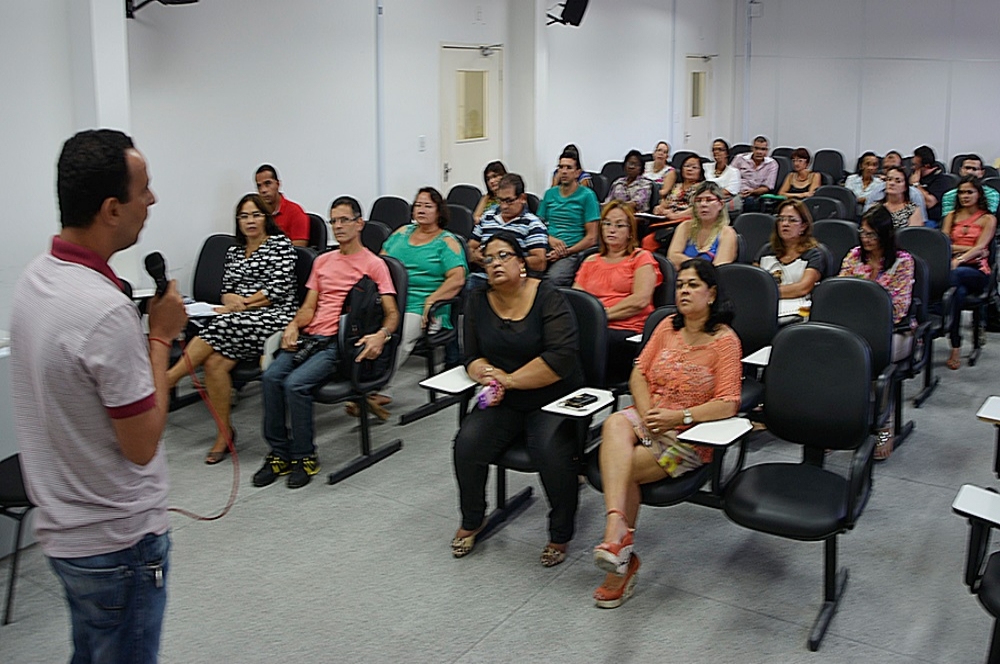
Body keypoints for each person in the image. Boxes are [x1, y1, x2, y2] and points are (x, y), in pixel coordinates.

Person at [11, 129, 187, 662]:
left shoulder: (36, 278)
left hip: (66, 530)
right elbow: (142, 443)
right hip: (117, 544)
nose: (152, 200)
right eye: (144, 189)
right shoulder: (104, 312)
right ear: (112, 209)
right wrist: (160, 338)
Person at [591, 258, 741, 608]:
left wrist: (678, 417)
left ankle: (621, 556)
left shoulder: (725, 341)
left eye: (693, 285)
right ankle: (617, 530)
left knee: (623, 466)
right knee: (614, 423)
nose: (684, 291)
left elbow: (728, 403)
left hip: (689, 435)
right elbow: (638, 374)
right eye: (681, 285)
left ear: (711, 293)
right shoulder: (666, 327)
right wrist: (647, 415)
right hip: (651, 415)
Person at [452, 231, 584, 566]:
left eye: (503, 256)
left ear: (522, 263)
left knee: (549, 451)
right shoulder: (477, 299)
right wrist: (487, 375)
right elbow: (471, 356)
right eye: (488, 258)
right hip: (505, 397)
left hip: (552, 395)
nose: (495, 263)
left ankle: (560, 533)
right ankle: (473, 519)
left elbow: (560, 358)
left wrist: (507, 380)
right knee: (467, 444)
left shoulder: (548, 296)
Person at [255, 196, 399, 489]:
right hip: (310, 337)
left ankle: (305, 456)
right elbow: (309, 307)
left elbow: (392, 313)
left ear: (359, 223)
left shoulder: (374, 265)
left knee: (295, 384)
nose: (338, 226)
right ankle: (279, 453)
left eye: (345, 220)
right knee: (270, 377)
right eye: (334, 221)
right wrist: (293, 326)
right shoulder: (322, 261)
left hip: (339, 343)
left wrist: (381, 335)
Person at [166, 194, 297, 463]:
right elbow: (225, 290)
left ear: (266, 218)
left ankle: (169, 378)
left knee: (223, 322)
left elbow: (277, 290)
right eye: (244, 216)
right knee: (214, 363)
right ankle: (224, 433)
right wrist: (230, 301)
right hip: (239, 320)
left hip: (275, 317)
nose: (250, 221)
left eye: (256, 215)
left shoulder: (280, 245)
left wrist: (242, 304)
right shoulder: (234, 252)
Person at [375, 187, 467, 415]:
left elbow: (457, 279)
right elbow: (380, 264)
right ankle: (365, 381)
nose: (421, 210)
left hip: (425, 305)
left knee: (401, 334)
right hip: (393, 298)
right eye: (418, 205)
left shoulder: (447, 241)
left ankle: (380, 388)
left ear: (439, 211)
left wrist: (432, 300)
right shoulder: (401, 233)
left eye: (428, 206)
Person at [839, 205, 915, 461]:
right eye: (863, 232)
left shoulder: (903, 262)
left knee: (873, 358)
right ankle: (840, 423)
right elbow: (840, 295)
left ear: (885, 235)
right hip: (855, 328)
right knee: (835, 354)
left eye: (871, 234)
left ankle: (884, 426)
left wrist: (864, 311)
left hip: (894, 332)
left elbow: (899, 309)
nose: (866, 238)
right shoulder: (854, 256)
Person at [573, 200, 663, 383]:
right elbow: (578, 300)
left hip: (627, 329)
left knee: (592, 341)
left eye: (619, 225)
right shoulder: (590, 260)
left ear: (630, 231)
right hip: (594, 326)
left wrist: (600, 316)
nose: (611, 230)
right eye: (607, 224)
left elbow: (640, 300)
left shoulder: (641, 257)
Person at [941, 176, 997, 371]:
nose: (965, 196)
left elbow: (981, 247)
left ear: (978, 194)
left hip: (977, 271)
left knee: (955, 276)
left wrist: (959, 258)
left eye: (969, 192)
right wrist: (969, 249)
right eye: (961, 192)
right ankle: (955, 345)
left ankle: (946, 326)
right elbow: (944, 244)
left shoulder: (988, 219)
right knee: (958, 292)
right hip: (955, 272)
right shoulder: (951, 216)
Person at [537, 149, 600, 286]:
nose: (564, 171)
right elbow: (537, 225)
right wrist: (549, 238)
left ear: (577, 173)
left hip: (572, 251)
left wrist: (565, 252)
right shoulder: (549, 194)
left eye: (569, 168)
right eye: (561, 167)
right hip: (546, 246)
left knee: (553, 280)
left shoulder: (587, 196)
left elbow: (592, 238)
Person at [469, 173, 549, 278]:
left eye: (509, 201)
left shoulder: (532, 224)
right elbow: (470, 247)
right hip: (483, 274)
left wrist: (506, 263)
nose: (504, 206)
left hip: (515, 279)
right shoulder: (487, 217)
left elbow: (540, 263)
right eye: (500, 200)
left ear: (522, 198)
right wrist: (474, 256)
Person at [756, 200, 826, 304]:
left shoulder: (813, 254)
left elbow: (803, 288)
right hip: (764, 303)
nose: (785, 224)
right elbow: (755, 281)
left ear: (803, 226)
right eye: (781, 219)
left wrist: (766, 291)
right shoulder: (766, 250)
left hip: (797, 306)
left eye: (792, 220)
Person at [665, 181, 738, 269]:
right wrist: (701, 266)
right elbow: (672, 257)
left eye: (709, 200)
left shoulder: (727, 233)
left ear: (721, 204)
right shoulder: (685, 227)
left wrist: (690, 265)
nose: (703, 204)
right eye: (698, 200)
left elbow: (719, 268)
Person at [645, 154, 707, 252]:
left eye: (694, 167)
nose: (689, 169)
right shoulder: (676, 186)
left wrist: (676, 216)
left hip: (686, 222)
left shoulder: (703, 187)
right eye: (687, 166)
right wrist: (659, 208)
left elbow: (697, 208)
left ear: (701, 171)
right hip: (666, 221)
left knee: (649, 241)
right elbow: (666, 202)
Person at [255, 164, 310, 246]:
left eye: (268, 183)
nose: (263, 190)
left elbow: (300, 248)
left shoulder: (295, 212)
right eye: (259, 186)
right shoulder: (257, 214)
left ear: (278, 184)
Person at [733, 135, 778, 212]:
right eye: (756, 148)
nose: (759, 152)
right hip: (736, 192)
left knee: (750, 201)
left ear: (767, 151)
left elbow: (767, 187)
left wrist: (752, 192)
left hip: (755, 195)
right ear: (752, 149)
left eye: (763, 149)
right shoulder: (740, 158)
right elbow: (730, 176)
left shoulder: (772, 164)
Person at [910, 145, 950, 226]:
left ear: (926, 166)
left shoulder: (941, 180)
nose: (912, 168)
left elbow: (930, 203)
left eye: (916, 165)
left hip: (931, 219)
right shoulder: (913, 175)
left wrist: (916, 185)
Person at [605, 149, 655, 213]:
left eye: (636, 164)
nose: (631, 167)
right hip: (615, 214)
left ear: (641, 168)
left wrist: (615, 207)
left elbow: (635, 204)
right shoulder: (618, 182)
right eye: (629, 163)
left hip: (636, 216)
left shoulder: (645, 184)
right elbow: (608, 202)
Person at [704, 138, 742, 213]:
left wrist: (708, 193)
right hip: (705, 201)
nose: (716, 152)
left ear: (727, 153)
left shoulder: (734, 172)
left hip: (724, 204)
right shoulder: (705, 167)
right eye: (714, 150)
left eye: (720, 149)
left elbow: (730, 191)